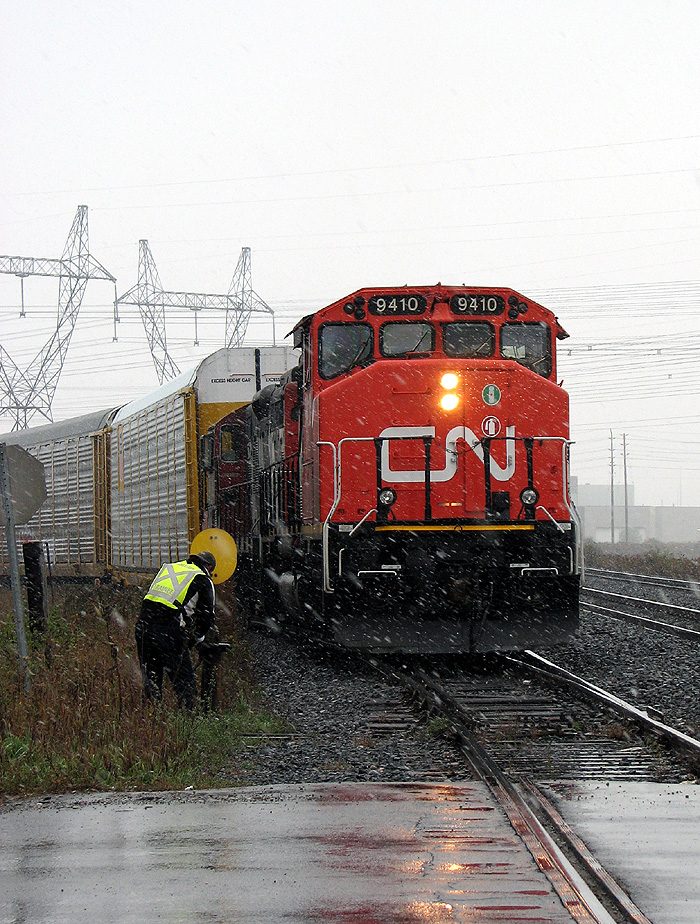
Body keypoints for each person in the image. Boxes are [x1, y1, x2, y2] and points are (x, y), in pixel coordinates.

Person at [135, 551, 217, 710]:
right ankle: (187, 722)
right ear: (209, 567)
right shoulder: (202, 578)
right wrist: (197, 639)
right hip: (168, 630)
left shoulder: (170, 568)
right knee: (184, 683)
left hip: (143, 626)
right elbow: (207, 616)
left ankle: (152, 720)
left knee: (152, 680)